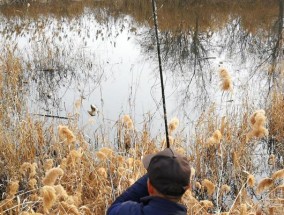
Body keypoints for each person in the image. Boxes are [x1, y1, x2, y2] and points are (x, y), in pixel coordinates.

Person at [107, 148, 191, 215]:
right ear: (187, 188)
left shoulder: (130, 211)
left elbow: (113, 209)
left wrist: (151, 175)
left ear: (150, 187)